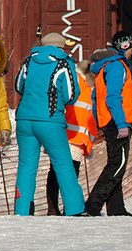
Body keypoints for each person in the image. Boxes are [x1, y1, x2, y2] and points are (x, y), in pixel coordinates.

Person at [14, 32, 84, 216]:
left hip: (24, 119)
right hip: (50, 120)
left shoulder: (29, 60)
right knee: (63, 164)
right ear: (61, 47)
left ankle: (23, 210)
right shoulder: (63, 62)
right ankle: (75, 209)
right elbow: (71, 95)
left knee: (26, 166)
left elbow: (18, 86)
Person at [82, 32, 132, 217]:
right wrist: (121, 124)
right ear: (124, 47)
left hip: (111, 121)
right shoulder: (117, 66)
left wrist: (99, 122)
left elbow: (95, 96)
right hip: (117, 122)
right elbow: (113, 97)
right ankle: (92, 207)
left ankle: (116, 208)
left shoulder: (105, 67)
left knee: (117, 163)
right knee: (117, 164)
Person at [46, 60, 98, 216]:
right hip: (71, 136)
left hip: (70, 135)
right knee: (68, 173)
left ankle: (55, 208)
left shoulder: (83, 83)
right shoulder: (79, 82)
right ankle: (68, 208)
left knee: (57, 172)